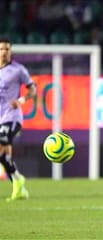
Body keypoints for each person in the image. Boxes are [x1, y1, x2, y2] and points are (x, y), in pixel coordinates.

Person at [0, 37, 36, 201]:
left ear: (11, 51)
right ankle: (17, 184)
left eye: (7, 49)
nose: (4, 52)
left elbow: (32, 90)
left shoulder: (18, 69)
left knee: (1, 147)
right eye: (1, 49)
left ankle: (16, 180)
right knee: (4, 155)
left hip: (12, 116)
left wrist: (20, 101)